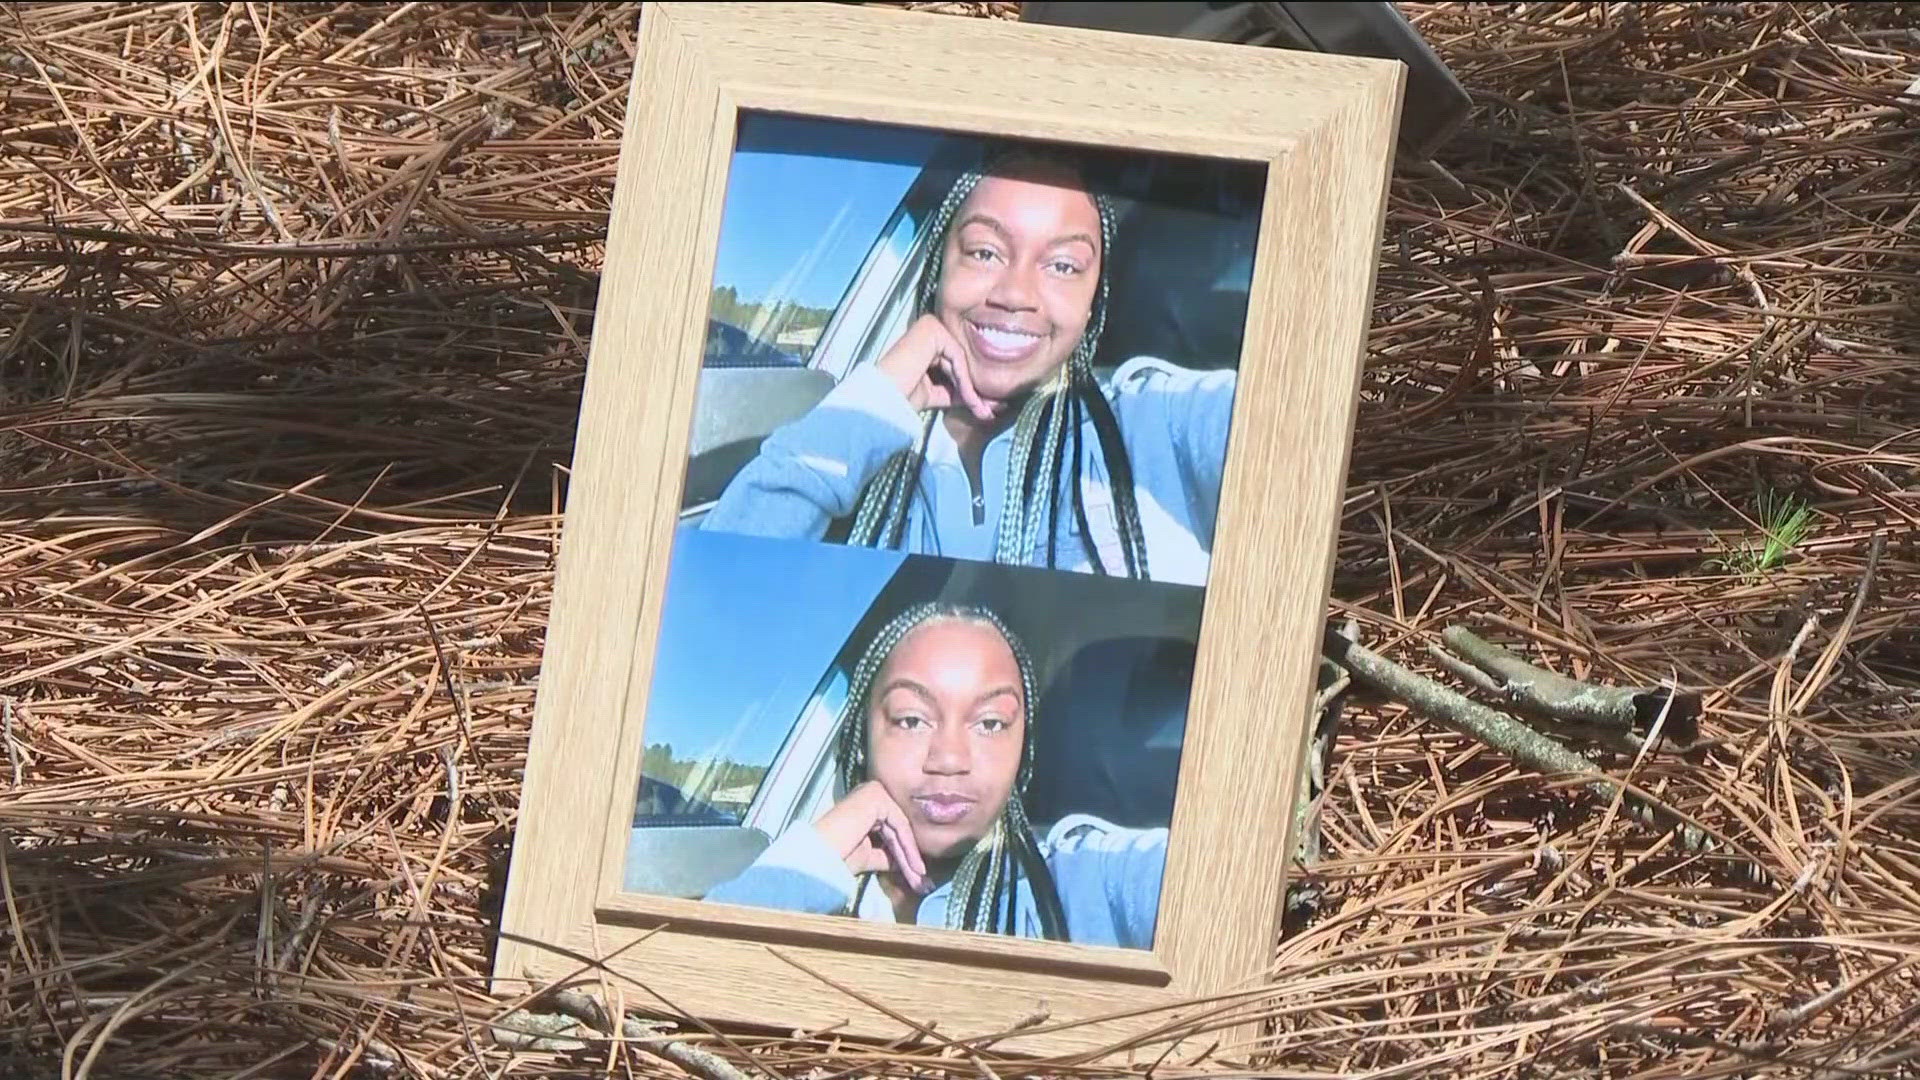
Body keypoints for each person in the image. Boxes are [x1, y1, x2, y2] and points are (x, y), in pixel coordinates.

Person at [699, 145, 1238, 589]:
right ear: (938, 271)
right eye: (984, 252)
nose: (1015, 294)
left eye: (1063, 265)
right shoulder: (876, 441)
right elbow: (722, 588)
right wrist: (875, 402)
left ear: (1093, 304)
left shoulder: (1156, 421)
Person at [704, 602, 1167, 949]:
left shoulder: (1086, 880)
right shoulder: (820, 884)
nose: (948, 759)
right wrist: (808, 863)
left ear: (1022, 748)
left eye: (990, 723)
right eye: (911, 720)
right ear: (861, 739)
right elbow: (681, 981)